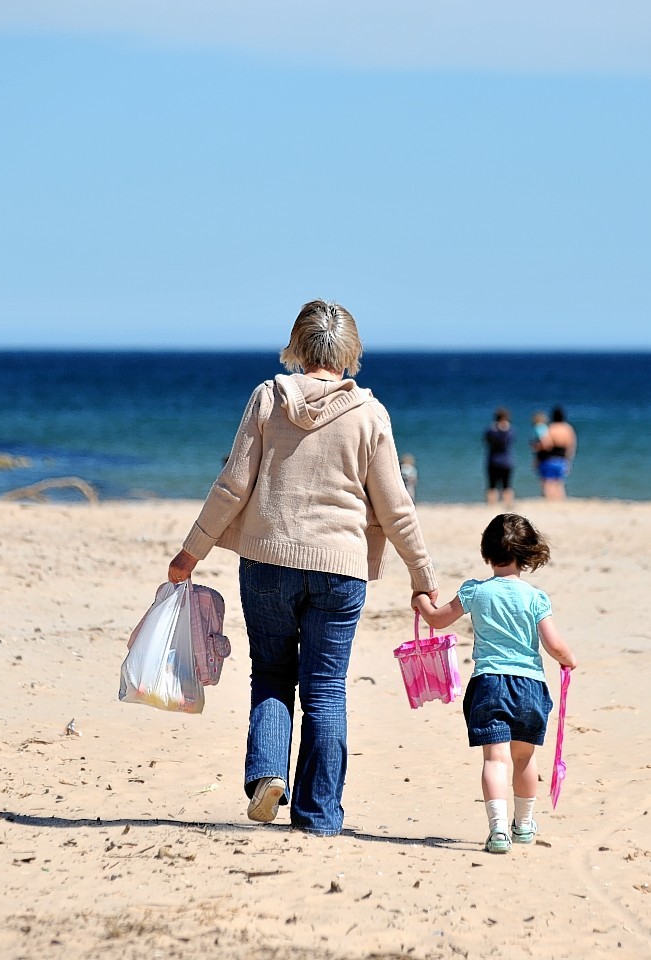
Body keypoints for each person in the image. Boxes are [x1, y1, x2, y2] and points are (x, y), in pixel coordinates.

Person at [166, 299, 438, 837]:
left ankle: (268, 773)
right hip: (341, 569)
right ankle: (318, 816)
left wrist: (191, 551)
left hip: (268, 561)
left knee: (271, 672)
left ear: (297, 345)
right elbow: (395, 507)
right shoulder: (369, 414)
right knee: (326, 689)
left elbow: (232, 485)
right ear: (350, 351)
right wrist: (424, 580)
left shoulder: (269, 398)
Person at [413, 513, 577, 854]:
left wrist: (422, 602)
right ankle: (525, 824)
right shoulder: (535, 597)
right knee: (524, 758)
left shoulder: (475, 591)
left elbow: (438, 619)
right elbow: (554, 644)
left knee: (495, 760)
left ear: (487, 552)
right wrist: (568, 659)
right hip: (529, 686)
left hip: (489, 683)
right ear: (527, 553)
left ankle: (498, 830)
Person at [537, 405, 577, 500]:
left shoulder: (551, 428)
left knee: (548, 483)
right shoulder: (568, 429)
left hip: (550, 458)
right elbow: (571, 446)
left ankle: (550, 501)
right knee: (559, 483)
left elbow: (547, 444)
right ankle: (560, 501)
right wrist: (568, 460)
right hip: (562, 458)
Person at [484, 407, 515, 506]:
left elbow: (487, 441)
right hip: (506, 460)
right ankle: (508, 503)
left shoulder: (491, 430)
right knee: (507, 484)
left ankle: (491, 504)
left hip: (493, 460)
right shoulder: (509, 430)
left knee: (492, 484)